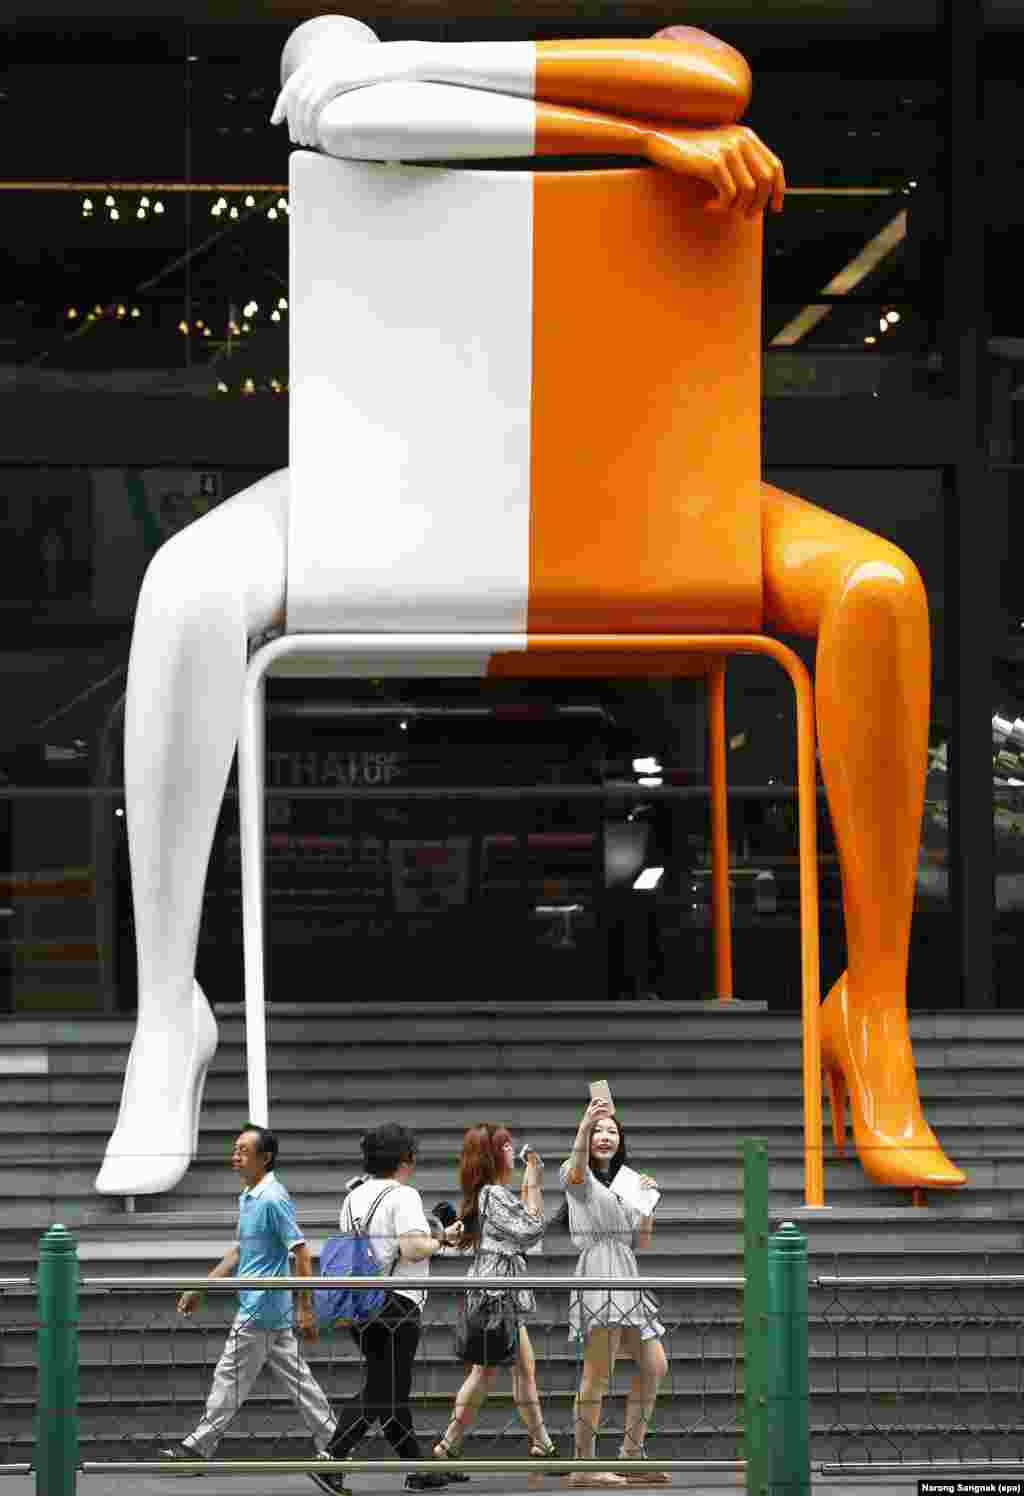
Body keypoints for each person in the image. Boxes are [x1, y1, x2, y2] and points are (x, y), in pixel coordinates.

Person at [95, 14, 962, 1203]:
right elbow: (353, 108)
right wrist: (642, 142)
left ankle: (869, 1005)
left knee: (878, 589)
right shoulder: (347, 65)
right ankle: (165, 1015)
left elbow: (717, 74)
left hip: (651, 487)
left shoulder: (678, 84)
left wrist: (651, 121)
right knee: (186, 590)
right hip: (380, 486)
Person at [157, 1125, 338, 1478]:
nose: (235, 1156)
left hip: (261, 1307)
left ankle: (197, 1446)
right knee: (299, 1380)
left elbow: (301, 1253)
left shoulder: (272, 1198)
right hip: (266, 1306)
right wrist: (201, 1287)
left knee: (229, 1376)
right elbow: (240, 1252)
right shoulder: (250, 1196)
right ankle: (336, 1442)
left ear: (265, 1158)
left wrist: (305, 1308)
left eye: (243, 1150)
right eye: (235, 1149)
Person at [310, 1123, 464, 1496]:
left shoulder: (353, 1197)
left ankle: (416, 1471)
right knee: (384, 1389)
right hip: (396, 1304)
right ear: (406, 1159)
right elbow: (412, 1249)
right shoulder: (404, 1195)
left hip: (359, 1301)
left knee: (391, 1388)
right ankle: (332, 1456)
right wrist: (443, 1238)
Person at [433, 1124, 558, 1471]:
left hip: (498, 1294)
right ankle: (448, 1445)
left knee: (522, 1370)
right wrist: (534, 1181)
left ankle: (541, 1444)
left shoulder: (488, 1194)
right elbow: (531, 1229)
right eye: (505, 1146)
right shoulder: (493, 1194)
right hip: (496, 1296)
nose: (511, 1151)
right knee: (485, 1374)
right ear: (491, 1155)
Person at [558, 1100, 668, 1489]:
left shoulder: (626, 1181)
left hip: (627, 1271)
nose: (605, 1137)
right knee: (597, 1374)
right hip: (599, 1271)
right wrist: (583, 1124)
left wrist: (648, 1202)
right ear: (587, 1136)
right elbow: (573, 1174)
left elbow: (641, 1240)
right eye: (598, 1131)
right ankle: (583, 1465)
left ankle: (631, 1455)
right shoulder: (577, 1173)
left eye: (611, 1132)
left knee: (654, 1365)